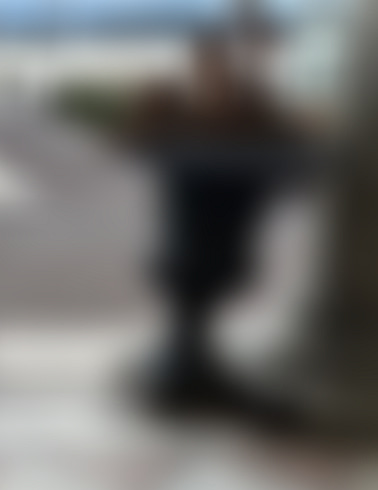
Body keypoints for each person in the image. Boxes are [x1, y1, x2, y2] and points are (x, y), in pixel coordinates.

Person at [126, 32, 309, 416]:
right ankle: (188, 371)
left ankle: (189, 370)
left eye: (220, 70)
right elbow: (141, 142)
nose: (214, 78)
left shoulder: (252, 114)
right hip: (194, 246)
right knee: (193, 296)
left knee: (198, 297)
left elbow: (289, 164)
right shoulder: (177, 111)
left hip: (215, 244)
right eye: (208, 69)